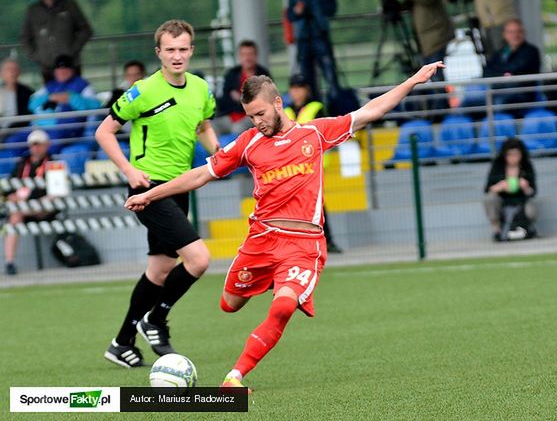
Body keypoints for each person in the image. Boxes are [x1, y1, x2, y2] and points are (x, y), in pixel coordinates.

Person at [124, 61, 445, 391]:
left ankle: (234, 377)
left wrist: (413, 80)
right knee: (229, 304)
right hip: (262, 240)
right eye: (251, 116)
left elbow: (371, 111)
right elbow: (201, 174)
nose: (257, 122)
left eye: (261, 113)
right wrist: (151, 194)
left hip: (303, 245)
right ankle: (272, 281)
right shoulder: (248, 142)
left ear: (278, 103)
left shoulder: (314, 133)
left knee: (283, 306)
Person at [95, 20, 220, 368]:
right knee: (198, 260)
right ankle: (156, 319)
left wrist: (219, 152)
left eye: (183, 49)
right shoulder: (142, 91)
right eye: (170, 50)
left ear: (192, 50)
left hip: (180, 188)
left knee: (160, 269)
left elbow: (204, 126)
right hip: (148, 189)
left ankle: (121, 342)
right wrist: (129, 170)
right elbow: (104, 132)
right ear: (159, 53)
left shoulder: (200, 89)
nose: (177, 56)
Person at [284, 73, 342, 253]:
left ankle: (326, 240)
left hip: (313, 165)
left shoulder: (316, 108)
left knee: (315, 203)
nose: (296, 92)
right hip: (292, 167)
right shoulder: (285, 111)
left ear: (307, 90)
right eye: (294, 88)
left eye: (300, 88)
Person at [4, 130, 56, 275]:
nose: (36, 148)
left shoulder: (53, 163)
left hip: (45, 207)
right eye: (33, 145)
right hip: (24, 208)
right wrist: (12, 197)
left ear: (47, 145)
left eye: (39, 144)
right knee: (14, 217)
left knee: (17, 212)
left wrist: (37, 202)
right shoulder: (22, 163)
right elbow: (9, 189)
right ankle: (9, 262)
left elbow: (56, 193)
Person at [28, 54, 101, 152]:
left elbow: (96, 106)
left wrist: (71, 98)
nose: (62, 71)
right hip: (47, 126)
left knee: (51, 141)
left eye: (66, 68)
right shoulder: (50, 86)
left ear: (72, 70)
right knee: (18, 139)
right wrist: (50, 97)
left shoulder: (82, 85)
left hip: (72, 128)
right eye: (58, 68)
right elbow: (32, 104)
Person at [20, 0, 93, 82]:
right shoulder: (33, 10)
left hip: (70, 64)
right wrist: (37, 56)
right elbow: (25, 37)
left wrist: (72, 50)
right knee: (51, 94)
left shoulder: (70, 5)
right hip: (47, 66)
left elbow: (85, 30)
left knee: (74, 93)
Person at [484, 137, 537, 242]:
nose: (513, 157)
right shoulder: (497, 166)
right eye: (510, 154)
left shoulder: (527, 166)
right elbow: (488, 188)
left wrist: (525, 187)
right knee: (489, 198)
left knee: (532, 208)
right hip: (503, 199)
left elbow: (533, 192)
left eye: (516, 154)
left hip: (521, 200)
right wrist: (500, 186)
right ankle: (497, 230)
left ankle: (525, 228)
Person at [288, 0, 340, 101]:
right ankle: (314, 107)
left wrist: (318, 8)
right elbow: (290, 15)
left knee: (330, 77)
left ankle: (336, 107)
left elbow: (332, 9)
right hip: (303, 39)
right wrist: (297, 11)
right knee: (307, 79)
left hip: (320, 35)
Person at [214, 40, 271, 135]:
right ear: (239, 57)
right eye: (244, 54)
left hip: (252, 116)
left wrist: (240, 98)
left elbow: (265, 101)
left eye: (250, 54)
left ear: (256, 56)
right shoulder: (231, 74)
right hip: (230, 116)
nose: (247, 58)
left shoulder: (263, 75)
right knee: (212, 126)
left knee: (237, 129)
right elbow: (224, 100)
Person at [0, 59, 33, 131]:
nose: (12, 72)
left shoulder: (26, 92)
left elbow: (26, 117)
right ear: (1, 73)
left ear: (19, 72)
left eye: (15, 69)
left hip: (18, 130)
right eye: (8, 69)